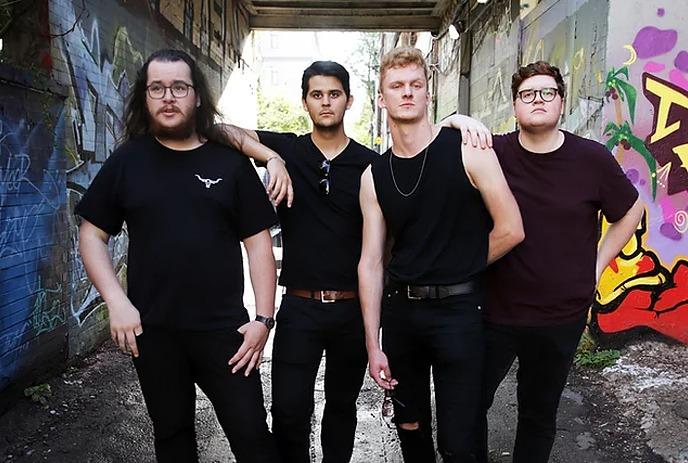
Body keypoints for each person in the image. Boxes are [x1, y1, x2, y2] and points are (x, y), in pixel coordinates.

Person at [220, 60, 491, 463]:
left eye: (334, 94)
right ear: (305, 101)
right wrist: (269, 157)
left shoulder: (372, 165)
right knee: (290, 413)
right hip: (299, 306)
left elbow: (413, 164)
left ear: (349, 100)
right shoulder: (290, 150)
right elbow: (218, 130)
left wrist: (455, 122)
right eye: (317, 95)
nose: (325, 102)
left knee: (341, 409)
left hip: (351, 308)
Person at [76, 49, 280, 463]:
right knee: (172, 439)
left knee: (254, 439)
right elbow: (91, 235)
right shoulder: (128, 161)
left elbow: (258, 243)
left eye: (179, 88)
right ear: (145, 97)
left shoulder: (230, 163)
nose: (169, 97)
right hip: (154, 334)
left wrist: (262, 319)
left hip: (226, 335)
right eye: (157, 88)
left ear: (197, 96)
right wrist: (117, 303)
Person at [358, 46, 524, 463]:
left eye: (416, 85)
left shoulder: (469, 148)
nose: (407, 93)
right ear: (382, 98)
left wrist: (458, 263)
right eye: (397, 86)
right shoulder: (373, 176)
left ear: (429, 93)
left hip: (460, 312)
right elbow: (371, 262)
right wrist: (372, 344)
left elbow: (511, 229)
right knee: (410, 427)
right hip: (402, 316)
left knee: (460, 441)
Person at [474, 61, 643, 463]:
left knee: (538, 415)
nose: (537, 100)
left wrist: (597, 265)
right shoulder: (492, 152)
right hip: (493, 311)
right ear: (514, 106)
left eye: (547, 92)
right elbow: (439, 140)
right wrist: (460, 119)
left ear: (561, 103)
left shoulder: (591, 159)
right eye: (527, 94)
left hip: (560, 314)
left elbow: (630, 211)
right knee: (467, 405)